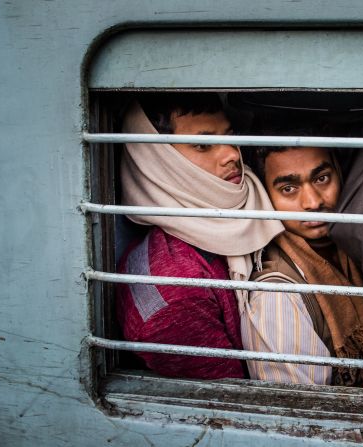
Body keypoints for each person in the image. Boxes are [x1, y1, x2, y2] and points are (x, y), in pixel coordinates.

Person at [116, 93, 284, 380]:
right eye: (204, 145)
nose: (232, 153)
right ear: (158, 161)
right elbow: (236, 408)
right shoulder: (175, 295)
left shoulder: (257, 205)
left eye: (230, 136)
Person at [241, 143, 363, 386]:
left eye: (321, 178)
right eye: (288, 188)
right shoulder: (277, 297)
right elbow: (296, 409)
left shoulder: (355, 248)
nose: (312, 202)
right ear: (266, 196)